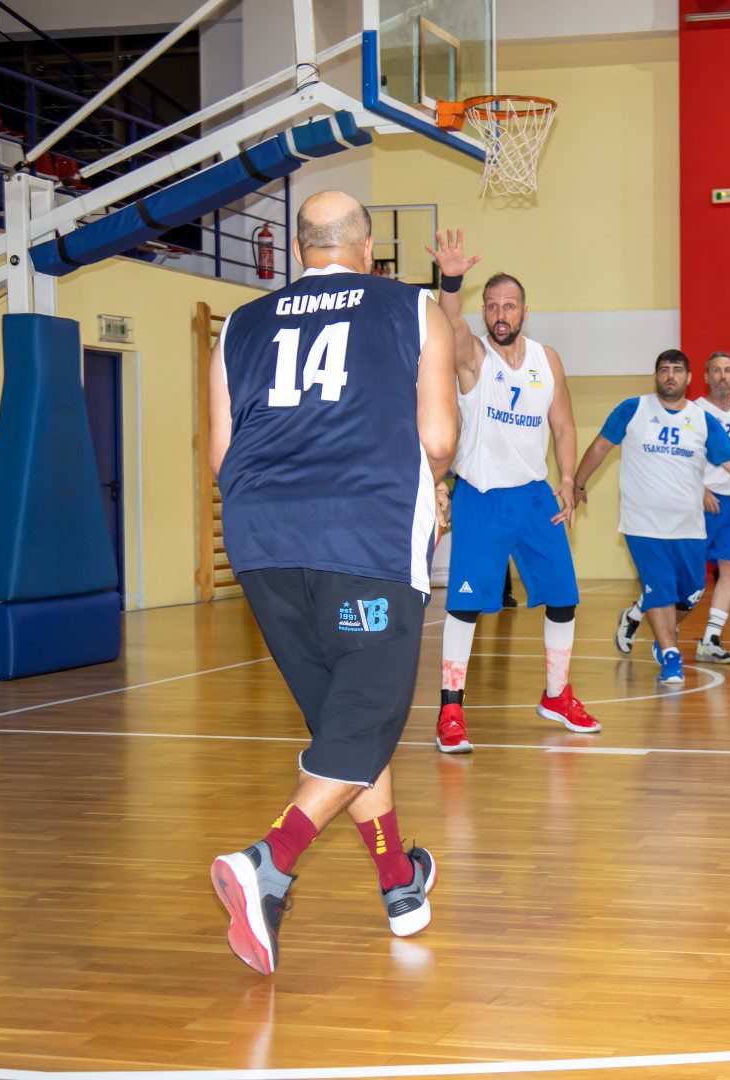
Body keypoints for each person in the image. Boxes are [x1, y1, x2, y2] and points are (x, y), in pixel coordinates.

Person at [207, 191, 456, 974]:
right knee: (369, 713)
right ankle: (269, 864)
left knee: (346, 723)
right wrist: (429, 489)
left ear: (298, 249)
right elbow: (439, 438)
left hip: (262, 543)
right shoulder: (413, 308)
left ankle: (399, 882)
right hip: (364, 534)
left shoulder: (238, 325)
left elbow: (220, 454)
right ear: (368, 245)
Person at [425, 230, 596, 756]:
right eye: (493, 305)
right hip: (482, 497)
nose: (501, 314)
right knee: (465, 607)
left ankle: (556, 695)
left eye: (510, 305)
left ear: (524, 310)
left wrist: (566, 479)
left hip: (535, 497)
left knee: (563, 596)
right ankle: (450, 709)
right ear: (485, 311)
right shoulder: (473, 356)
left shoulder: (548, 360)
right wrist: (450, 280)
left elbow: (563, 426)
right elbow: (448, 323)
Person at [578, 350, 730, 682]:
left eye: (677, 370)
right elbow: (601, 446)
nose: (670, 375)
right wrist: (576, 483)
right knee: (661, 588)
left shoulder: (706, 420)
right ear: (656, 376)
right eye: (664, 370)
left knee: (691, 590)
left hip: (692, 522)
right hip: (644, 522)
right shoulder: (633, 409)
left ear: (687, 378)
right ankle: (670, 655)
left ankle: (642, 620)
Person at [696, 351, 730, 663]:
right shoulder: (696, 411)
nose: (722, 376)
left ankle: (710, 640)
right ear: (707, 377)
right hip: (705, 501)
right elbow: (685, 458)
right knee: (687, 575)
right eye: (716, 371)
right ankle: (638, 616)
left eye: (728, 371)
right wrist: (700, 488)